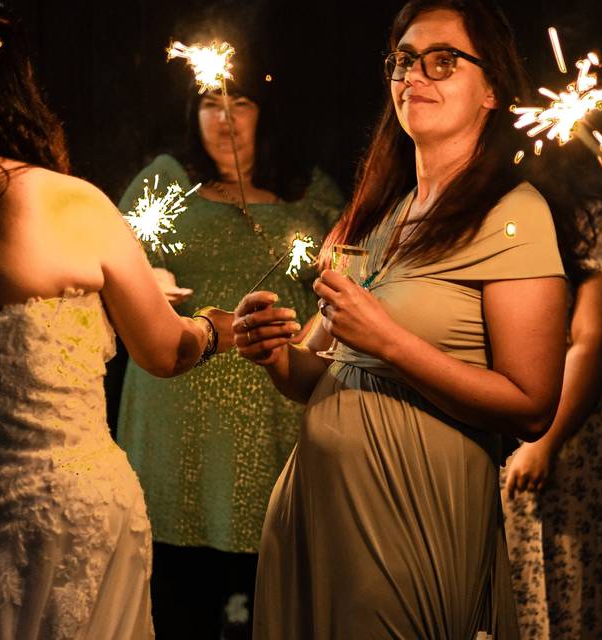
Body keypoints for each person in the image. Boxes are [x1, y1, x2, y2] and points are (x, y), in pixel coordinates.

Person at [0, 0, 272, 637]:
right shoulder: (67, 204)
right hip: (52, 529)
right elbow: (165, 352)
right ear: (12, 91)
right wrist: (214, 327)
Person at [235, 1, 568, 637]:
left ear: (492, 88)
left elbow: (531, 405)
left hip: (411, 511)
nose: (415, 77)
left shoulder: (512, 214)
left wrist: (388, 341)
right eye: (403, 61)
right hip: (316, 512)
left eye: (443, 62)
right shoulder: (373, 211)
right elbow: (314, 372)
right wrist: (277, 350)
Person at [116, 54, 344, 638]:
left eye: (238, 103)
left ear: (265, 111)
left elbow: (347, 289)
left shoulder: (310, 192)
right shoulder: (165, 181)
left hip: (274, 419)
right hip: (176, 424)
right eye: (209, 104)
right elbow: (117, 275)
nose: (223, 118)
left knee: (275, 604)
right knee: (177, 602)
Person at [501, 148, 602, 639]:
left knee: (569, 588)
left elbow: (590, 346)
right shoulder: (502, 220)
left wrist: (544, 443)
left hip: (568, 431)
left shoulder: (592, 224)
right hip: (504, 422)